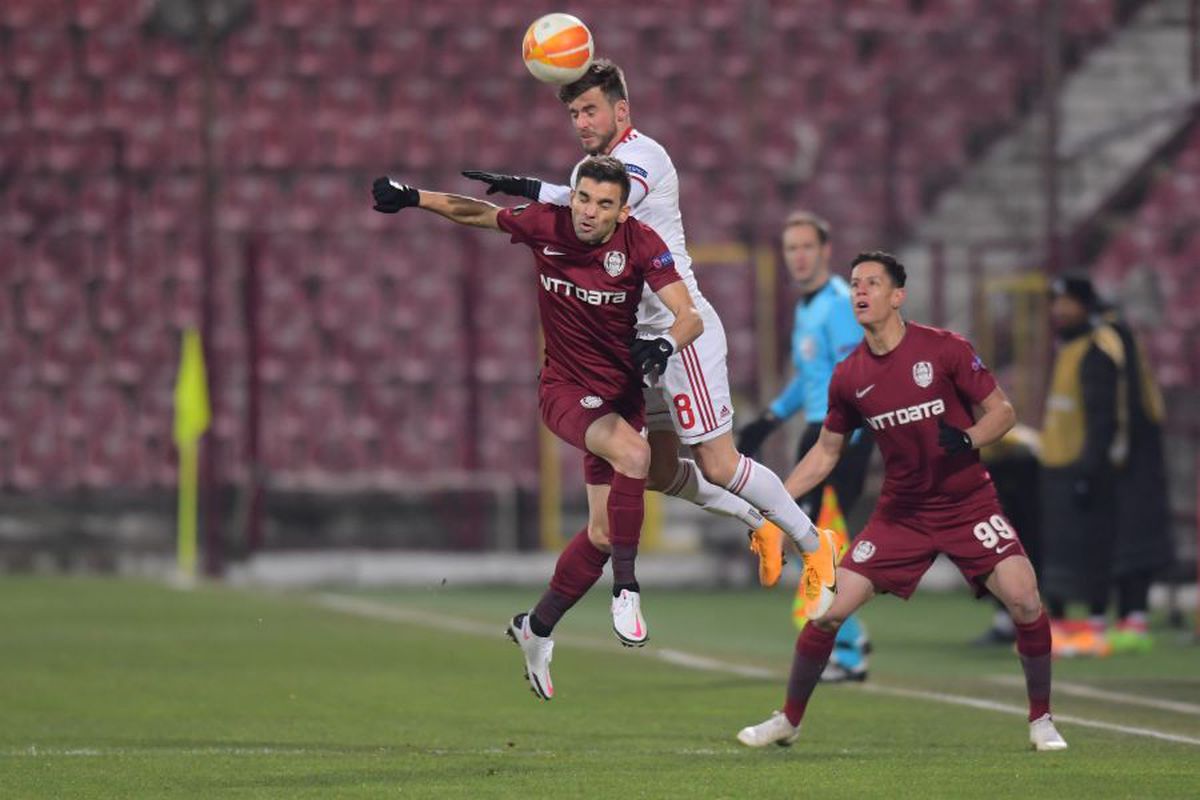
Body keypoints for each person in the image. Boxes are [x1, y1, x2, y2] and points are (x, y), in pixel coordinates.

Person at [462, 59, 837, 609]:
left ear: (621, 110)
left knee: (718, 463)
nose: (581, 122)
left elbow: (608, 205)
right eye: (574, 113)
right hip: (635, 345)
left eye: (590, 110)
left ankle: (814, 543)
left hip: (678, 332)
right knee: (656, 470)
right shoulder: (590, 170)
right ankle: (760, 520)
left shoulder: (643, 156)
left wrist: (531, 188)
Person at [372, 156, 705, 698]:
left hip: (621, 396)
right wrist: (413, 196)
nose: (589, 212)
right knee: (636, 457)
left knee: (603, 533)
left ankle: (537, 626)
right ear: (572, 197)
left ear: (622, 212)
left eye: (603, 204)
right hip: (564, 390)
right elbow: (476, 213)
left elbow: (690, 316)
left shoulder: (642, 243)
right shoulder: (546, 224)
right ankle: (626, 589)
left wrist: (666, 343)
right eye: (583, 198)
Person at [736, 252, 1067, 752]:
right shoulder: (849, 375)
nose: (860, 291)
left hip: (967, 504)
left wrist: (969, 438)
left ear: (897, 296)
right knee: (826, 612)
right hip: (902, 515)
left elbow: (1003, 411)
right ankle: (788, 720)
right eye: (854, 284)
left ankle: (1041, 720)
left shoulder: (945, 349)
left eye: (872, 283)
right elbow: (826, 453)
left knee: (1024, 598)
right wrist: (774, 503)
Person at [735, 211, 873, 681]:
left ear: (825, 251)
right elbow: (809, 377)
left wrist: (851, 441)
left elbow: (854, 376)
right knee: (810, 539)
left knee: (818, 542)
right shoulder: (806, 307)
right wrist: (770, 419)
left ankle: (848, 650)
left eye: (806, 247)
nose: (798, 256)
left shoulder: (838, 304)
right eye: (791, 248)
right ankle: (849, 636)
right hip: (817, 432)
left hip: (839, 437)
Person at [1038, 275, 1123, 657]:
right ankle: (1058, 625)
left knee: (1091, 545)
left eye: (1066, 302)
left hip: (1084, 464)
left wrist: (1090, 468)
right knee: (1057, 548)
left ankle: (1096, 624)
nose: (1059, 310)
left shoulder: (1097, 349)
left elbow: (1102, 417)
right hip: (1058, 461)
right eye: (1056, 303)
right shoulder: (1068, 346)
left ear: (1085, 304)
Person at [1101, 304, 1174, 652]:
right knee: (1127, 542)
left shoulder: (1128, 393)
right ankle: (1130, 617)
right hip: (1139, 479)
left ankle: (1134, 619)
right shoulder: (1142, 391)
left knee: (1132, 542)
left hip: (1134, 480)